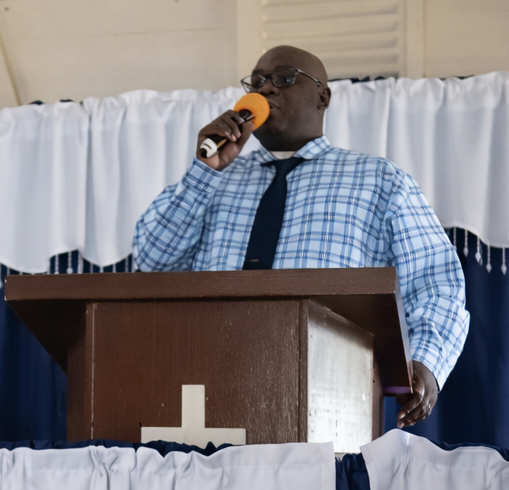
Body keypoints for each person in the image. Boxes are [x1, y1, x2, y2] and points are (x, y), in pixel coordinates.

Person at [133, 45, 468, 426]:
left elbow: (436, 282)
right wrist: (204, 171)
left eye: (284, 78)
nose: (267, 89)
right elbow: (151, 262)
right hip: (207, 385)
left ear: (323, 97)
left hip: (330, 394)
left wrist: (425, 359)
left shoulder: (378, 180)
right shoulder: (213, 180)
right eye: (257, 82)